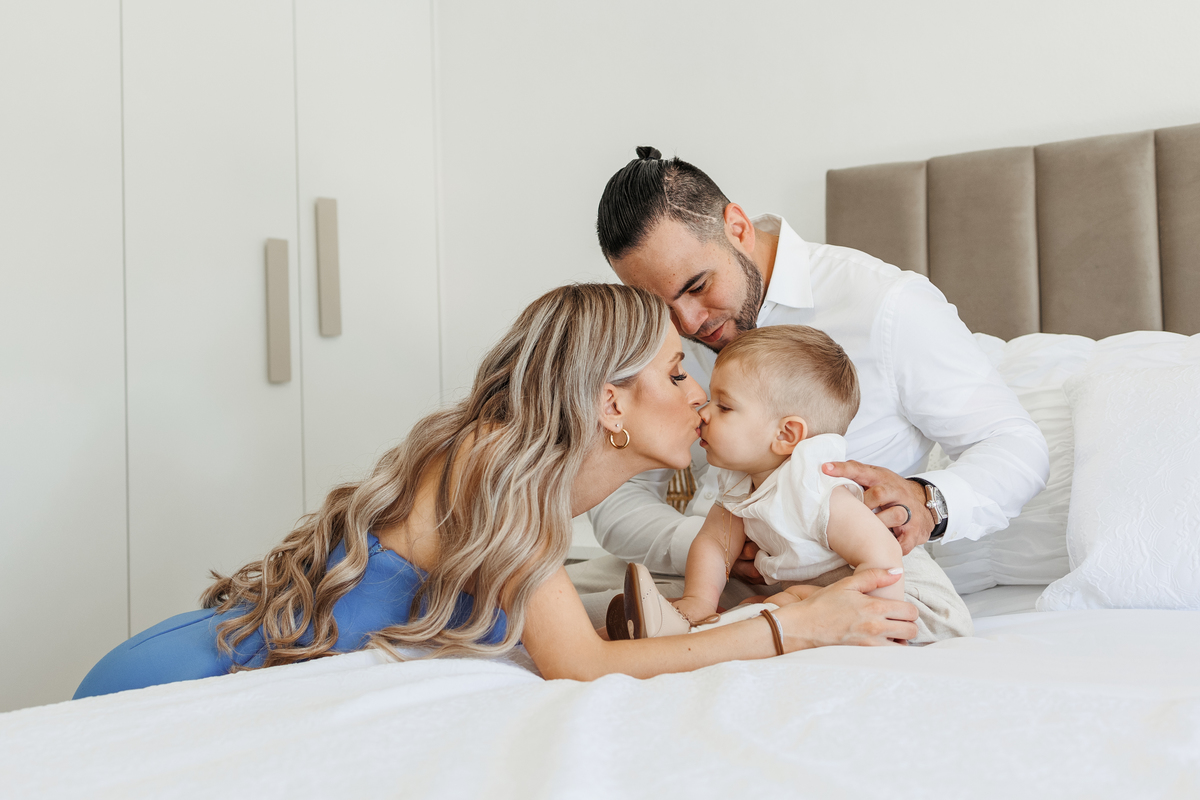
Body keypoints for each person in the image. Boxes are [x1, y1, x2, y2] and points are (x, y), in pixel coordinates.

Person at [74, 284, 918, 699]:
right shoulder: (495, 462)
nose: (700, 395)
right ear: (610, 404)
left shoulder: (533, 475)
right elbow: (578, 665)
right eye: (675, 373)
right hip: (179, 676)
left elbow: (567, 632)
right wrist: (791, 628)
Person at [574, 147, 1050, 642]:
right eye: (662, 306)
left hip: (847, 573)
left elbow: (1017, 446)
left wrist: (931, 502)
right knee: (539, 611)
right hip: (703, 574)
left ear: (737, 227)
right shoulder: (663, 334)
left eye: (697, 286)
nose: (689, 324)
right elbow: (617, 490)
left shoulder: (885, 306)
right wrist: (700, 548)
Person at [621, 325, 909, 640]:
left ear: (785, 434)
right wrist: (698, 601)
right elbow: (715, 543)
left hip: (896, 598)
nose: (704, 414)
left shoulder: (815, 489)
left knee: (779, 606)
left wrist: (883, 624)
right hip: (816, 597)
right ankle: (687, 624)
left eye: (724, 407)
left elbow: (883, 556)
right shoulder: (742, 479)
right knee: (761, 607)